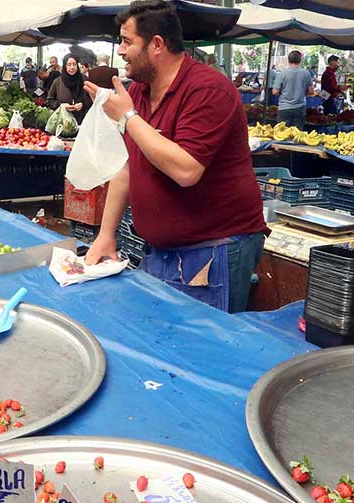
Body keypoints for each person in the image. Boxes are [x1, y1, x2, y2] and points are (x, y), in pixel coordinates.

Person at [84, 0, 267, 313]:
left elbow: (186, 170)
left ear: (157, 44)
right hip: (162, 250)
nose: (121, 51)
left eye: (127, 42)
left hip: (214, 249)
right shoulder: (139, 93)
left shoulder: (208, 90)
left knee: (205, 349)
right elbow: (127, 166)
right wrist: (105, 234)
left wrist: (128, 117)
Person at [272, 50, 312, 129]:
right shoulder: (306, 73)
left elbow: (275, 92)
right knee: (297, 136)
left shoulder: (282, 73)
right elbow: (311, 91)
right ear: (300, 60)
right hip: (300, 108)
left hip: (284, 108)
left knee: (283, 136)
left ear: (288, 60)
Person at [47, 53, 90, 123]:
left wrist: (83, 104)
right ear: (65, 66)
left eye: (74, 64)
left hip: (82, 121)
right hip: (63, 122)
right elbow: (49, 101)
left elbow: (92, 99)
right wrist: (61, 105)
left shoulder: (85, 80)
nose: (72, 67)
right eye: (69, 64)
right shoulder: (57, 82)